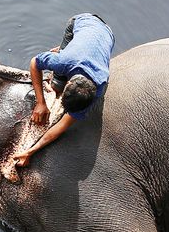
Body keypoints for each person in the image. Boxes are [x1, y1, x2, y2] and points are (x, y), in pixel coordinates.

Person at [8, 13, 114, 177]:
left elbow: (62, 127)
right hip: (82, 22)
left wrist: (31, 151)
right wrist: (40, 103)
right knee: (56, 86)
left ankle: (67, 48)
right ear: (70, 83)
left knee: (57, 85)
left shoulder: (100, 85)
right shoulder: (64, 62)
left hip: (107, 34)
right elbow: (34, 62)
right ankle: (65, 48)